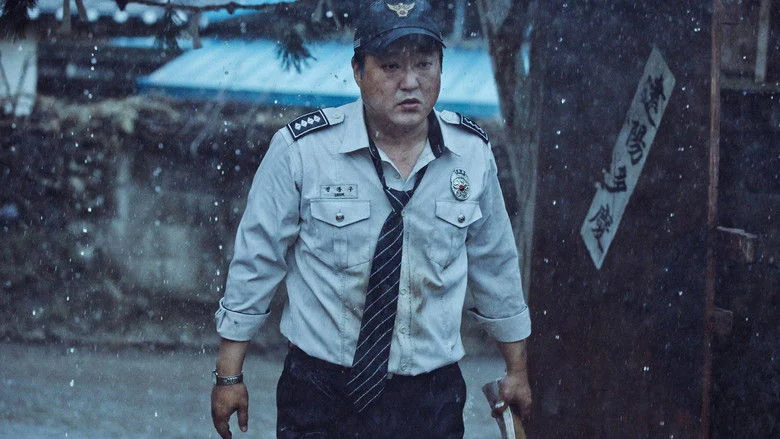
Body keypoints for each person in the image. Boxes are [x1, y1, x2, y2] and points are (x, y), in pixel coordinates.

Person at [210, 1, 532, 437]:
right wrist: (229, 374)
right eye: (391, 66)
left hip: (429, 397)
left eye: (424, 64)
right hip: (321, 391)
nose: (410, 82)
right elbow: (257, 260)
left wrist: (516, 369)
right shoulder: (303, 151)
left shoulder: (471, 154)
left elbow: (496, 265)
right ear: (358, 71)